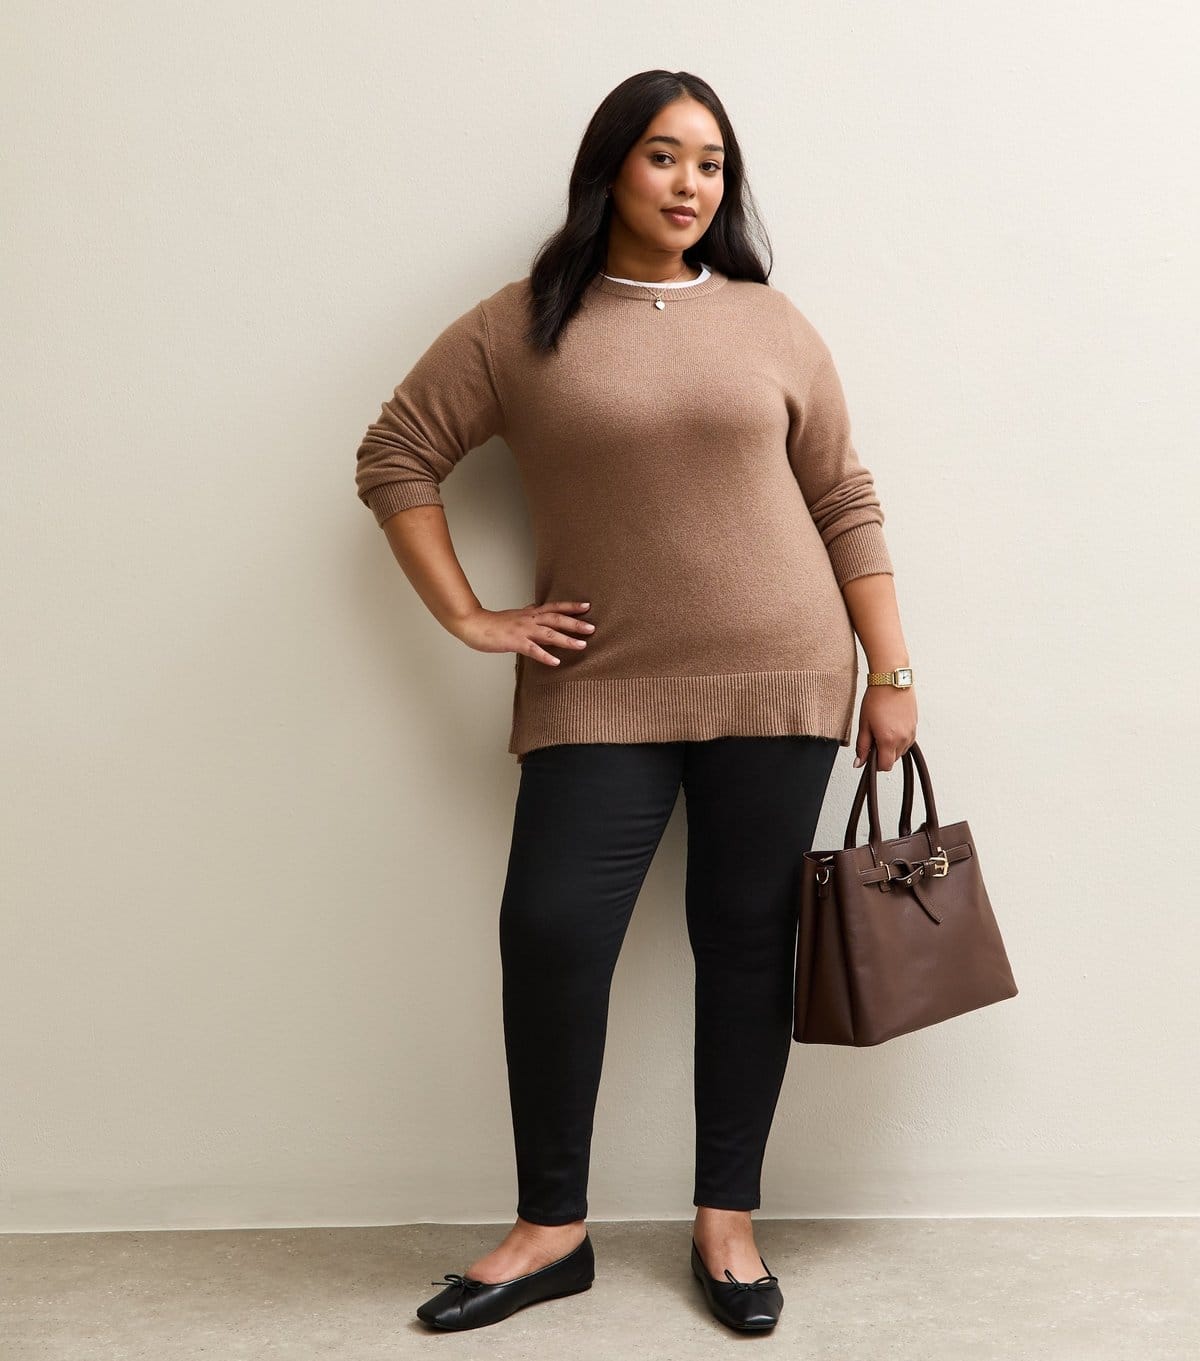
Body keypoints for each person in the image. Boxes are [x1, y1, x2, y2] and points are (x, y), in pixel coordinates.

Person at [353, 69, 918, 1335]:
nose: (689, 183)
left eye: (712, 163)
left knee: (747, 943)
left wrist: (890, 672)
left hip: (780, 675)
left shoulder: (771, 322)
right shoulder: (520, 324)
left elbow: (843, 498)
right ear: (611, 166)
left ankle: (728, 1220)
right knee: (552, 930)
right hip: (599, 684)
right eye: (665, 156)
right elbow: (396, 454)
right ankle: (552, 1226)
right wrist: (470, 614)